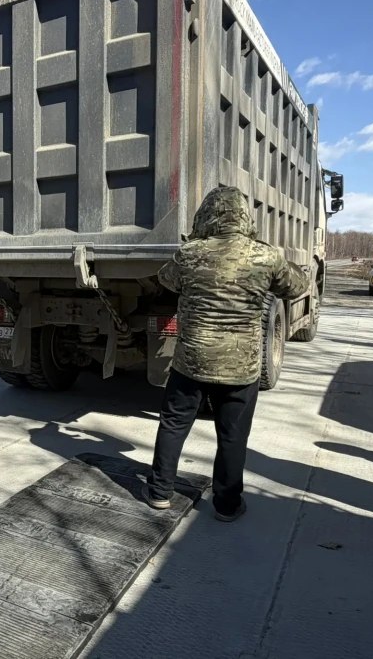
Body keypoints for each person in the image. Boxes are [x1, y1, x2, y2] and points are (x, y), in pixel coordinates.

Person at [143, 186, 309, 521]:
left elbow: (166, 279)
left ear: (205, 215)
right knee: (232, 436)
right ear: (246, 217)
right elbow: (297, 286)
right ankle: (227, 504)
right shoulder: (265, 256)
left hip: (191, 362)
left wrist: (192, 247)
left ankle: (160, 492)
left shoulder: (190, 254)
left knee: (173, 425)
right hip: (241, 367)